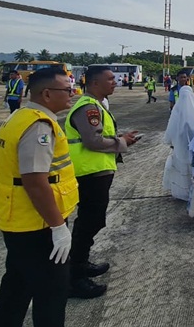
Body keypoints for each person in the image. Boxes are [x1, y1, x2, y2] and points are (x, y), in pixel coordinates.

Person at [0, 67, 79, 327]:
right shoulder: (39, 125)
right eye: (67, 89)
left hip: (19, 219)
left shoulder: (20, 116)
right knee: (52, 291)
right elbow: (35, 181)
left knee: (17, 285)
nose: (72, 93)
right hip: (36, 224)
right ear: (48, 93)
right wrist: (58, 227)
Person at [64, 65, 141, 298]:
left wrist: (120, 140)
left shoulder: (95, 105)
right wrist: (122, 142)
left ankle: (80, 262)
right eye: (110, 79)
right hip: (89, 172)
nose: (115, 82)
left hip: (95, 171)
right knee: (90, 221)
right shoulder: (89, 107)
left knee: (92, 220)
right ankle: (75, 276)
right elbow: (93, 141)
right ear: (95, 83)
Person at [163, 80, 194, 200]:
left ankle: (184, 192)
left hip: (180, 146)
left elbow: (171, 128)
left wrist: (171, 142)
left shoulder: (177, 110)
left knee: (183, 167)